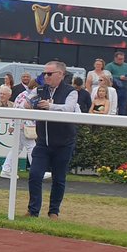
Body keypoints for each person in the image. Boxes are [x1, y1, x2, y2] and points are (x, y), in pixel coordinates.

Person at [24, 61, 79, 219]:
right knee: (35, 174)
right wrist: (30, 104)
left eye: (49, 74)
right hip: (42, 142)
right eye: (44, 74)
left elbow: (69, 109)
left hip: (64, 142)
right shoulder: (40, 89)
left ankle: (54, 212)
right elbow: (26, 103)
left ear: (60, 74)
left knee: (59, 178)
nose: (45, 77)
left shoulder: (71, 91)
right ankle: (33, 211)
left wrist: (50, 106)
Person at [105, 51, 127, 116]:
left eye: (122, 59)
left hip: (124, 88)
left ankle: (122, 119)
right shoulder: (110, 66)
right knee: (113, 104)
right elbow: (106, 76)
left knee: (124, 105)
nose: (121, 60)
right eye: (119, 59)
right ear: (115, 58)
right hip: (114, 88)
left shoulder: (126, 65)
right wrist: (118, 77)